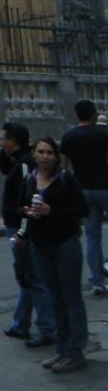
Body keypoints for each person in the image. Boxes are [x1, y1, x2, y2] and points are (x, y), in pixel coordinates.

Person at [15, 137, 90, 374]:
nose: (45, 156)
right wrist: (27, 214)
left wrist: (51, 211)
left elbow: (82, 210)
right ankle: (62, 349)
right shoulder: (29, 179)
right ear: (34, 154)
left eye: (49, 152)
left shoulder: (65, 179)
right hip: (41, 246)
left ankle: (75, 351)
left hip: (65, 244)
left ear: (56, 156)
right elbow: (21, 207)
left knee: (71, 298)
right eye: (41, 152)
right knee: (55, 298)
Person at [0, 122, 56, 345]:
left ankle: (47, 328)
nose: (1, 142)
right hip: (19, 225)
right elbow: (2, 167)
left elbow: (26, 200)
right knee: (26, 275)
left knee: (32, 276)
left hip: (21, 226)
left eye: (4, 138)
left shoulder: (24, 164)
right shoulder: (16, 160)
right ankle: (20, 323)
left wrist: (23, 230)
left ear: (14, 140)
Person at [60, 99, 108, 297]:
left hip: (84, 190)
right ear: (93, 113)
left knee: (92, 236)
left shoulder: (69, 136)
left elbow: (64, 167)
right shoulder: (103, 133)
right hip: (106, 186)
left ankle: (97, 281)